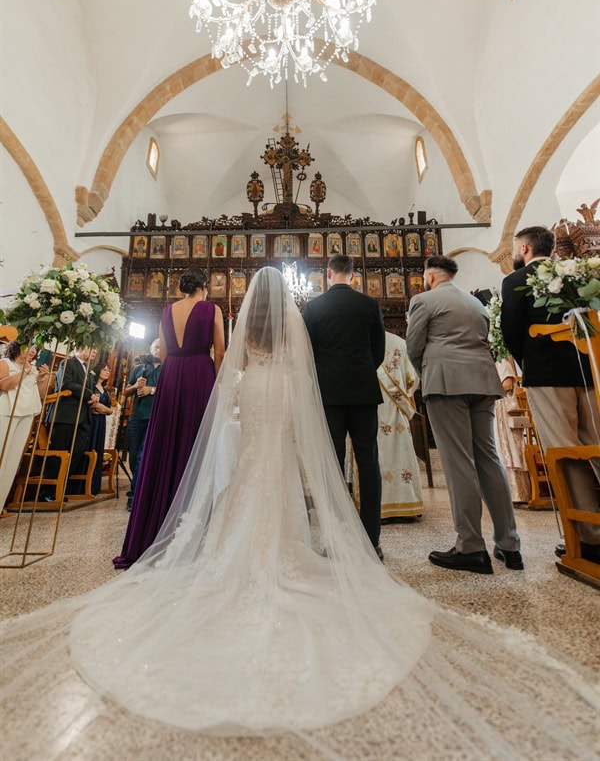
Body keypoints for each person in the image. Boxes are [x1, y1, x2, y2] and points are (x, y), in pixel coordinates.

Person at [1, 271, 597, 757]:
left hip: (254, 392)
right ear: (285, 301)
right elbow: (315, 368)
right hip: (295, 393)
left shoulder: (245, 326)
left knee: (249, 474)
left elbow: (229, 376)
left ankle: (236, 548)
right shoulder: (311, 320)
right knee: (290, 469)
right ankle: (337, 538)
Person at [406, 255, 522, 574]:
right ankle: (510, 545)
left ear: (430, 276)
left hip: (446, 383)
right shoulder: (476, 304)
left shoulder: (424, 300)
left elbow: (414, 347)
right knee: (488, 457)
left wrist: (429, 375)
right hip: (483, 381)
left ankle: (470, 546)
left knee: (458, 462)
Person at [500, 225, 600, 562]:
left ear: (525, 249)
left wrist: (528, 362)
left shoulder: (516, 282)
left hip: (546, 375)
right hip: (589, 371)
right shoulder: (575, 274)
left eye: (516, 247)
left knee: (566, 452)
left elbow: (511, 333)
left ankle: (588, 537)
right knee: (596, 444)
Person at [113, 268, 224, 569]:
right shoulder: (211, 309)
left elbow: (162, 351)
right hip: (200, 373)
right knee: (195, 444)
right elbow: (221, 353)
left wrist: (175, 369)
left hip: (172, 374)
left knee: (165, 443)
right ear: (204, 286)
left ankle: (157, 520)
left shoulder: (166, 310)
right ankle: (193, 521)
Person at [303, 253, 385, 557]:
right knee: (368, 462)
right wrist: (361, 372)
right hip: (363, 392)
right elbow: (378, 351)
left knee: (332, 466)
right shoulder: (369, 304)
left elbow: (307, 353)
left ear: (328, 274)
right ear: (353, 275)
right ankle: (371, 539)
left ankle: (335, 539)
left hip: (329, 395)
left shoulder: (313, 307)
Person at [374, 330, 423, 521]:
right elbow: (413, 380)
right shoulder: (400, 343)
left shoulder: (361, 337)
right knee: (401, 451)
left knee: (375, 454)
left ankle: (378, 506)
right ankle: (407, 505)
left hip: (370, 406)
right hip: (396, 409)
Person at [0, 343, 49, 512]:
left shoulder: (33, 369)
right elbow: (4, 386)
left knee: (12, 461)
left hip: (27, 414)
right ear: (17, 348)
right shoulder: (5, 363)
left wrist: (43, 378)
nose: (34, 351)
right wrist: (25, 372)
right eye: (30, 346)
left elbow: (41, 394)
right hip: (7, 412)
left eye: (36, 348)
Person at [48, 347, 99, 498]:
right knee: (59, 453)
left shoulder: (88, 369)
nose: (95, 352)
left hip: (83, 417)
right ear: (80, 348)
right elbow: (65, 384)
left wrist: (93, 397)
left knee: (77, 452)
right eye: (92, 348)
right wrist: (90, 394)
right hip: (66, 415)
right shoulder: (68, 363)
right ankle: (49, 490)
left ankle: (62, 486)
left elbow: (88, 389)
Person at [123, 338, 162, 511]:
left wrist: (151, 390)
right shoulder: (139, 368)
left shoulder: (167, 369)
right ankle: (136, 485)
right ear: (150, 349)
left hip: (155, 416)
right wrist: (136, 387)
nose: (158, 350)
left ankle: (134, 495)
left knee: (142, 455)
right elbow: (126, 391)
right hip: (136, 417)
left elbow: (171, 390)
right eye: (156, 347)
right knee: (133, 456)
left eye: (162, 347)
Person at [493, 356, 531, 503]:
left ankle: (518, 494)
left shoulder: (501, 361)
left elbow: (508, 385)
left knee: (509, 450)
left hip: (503, 408)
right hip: (495, 409)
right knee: (498, 450)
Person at [87, 362, 113, 495]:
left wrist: (106, 410)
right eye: (105, 369)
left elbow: (109, 410)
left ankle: (94, 486)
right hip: (91, 422)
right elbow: (94, 406)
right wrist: (106, 410)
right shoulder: (91, 386)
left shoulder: (105, 390)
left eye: (109, 370)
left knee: (98, 449)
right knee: (90, 448)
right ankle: (84, 485)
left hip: (101, 423)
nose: (107, 372)